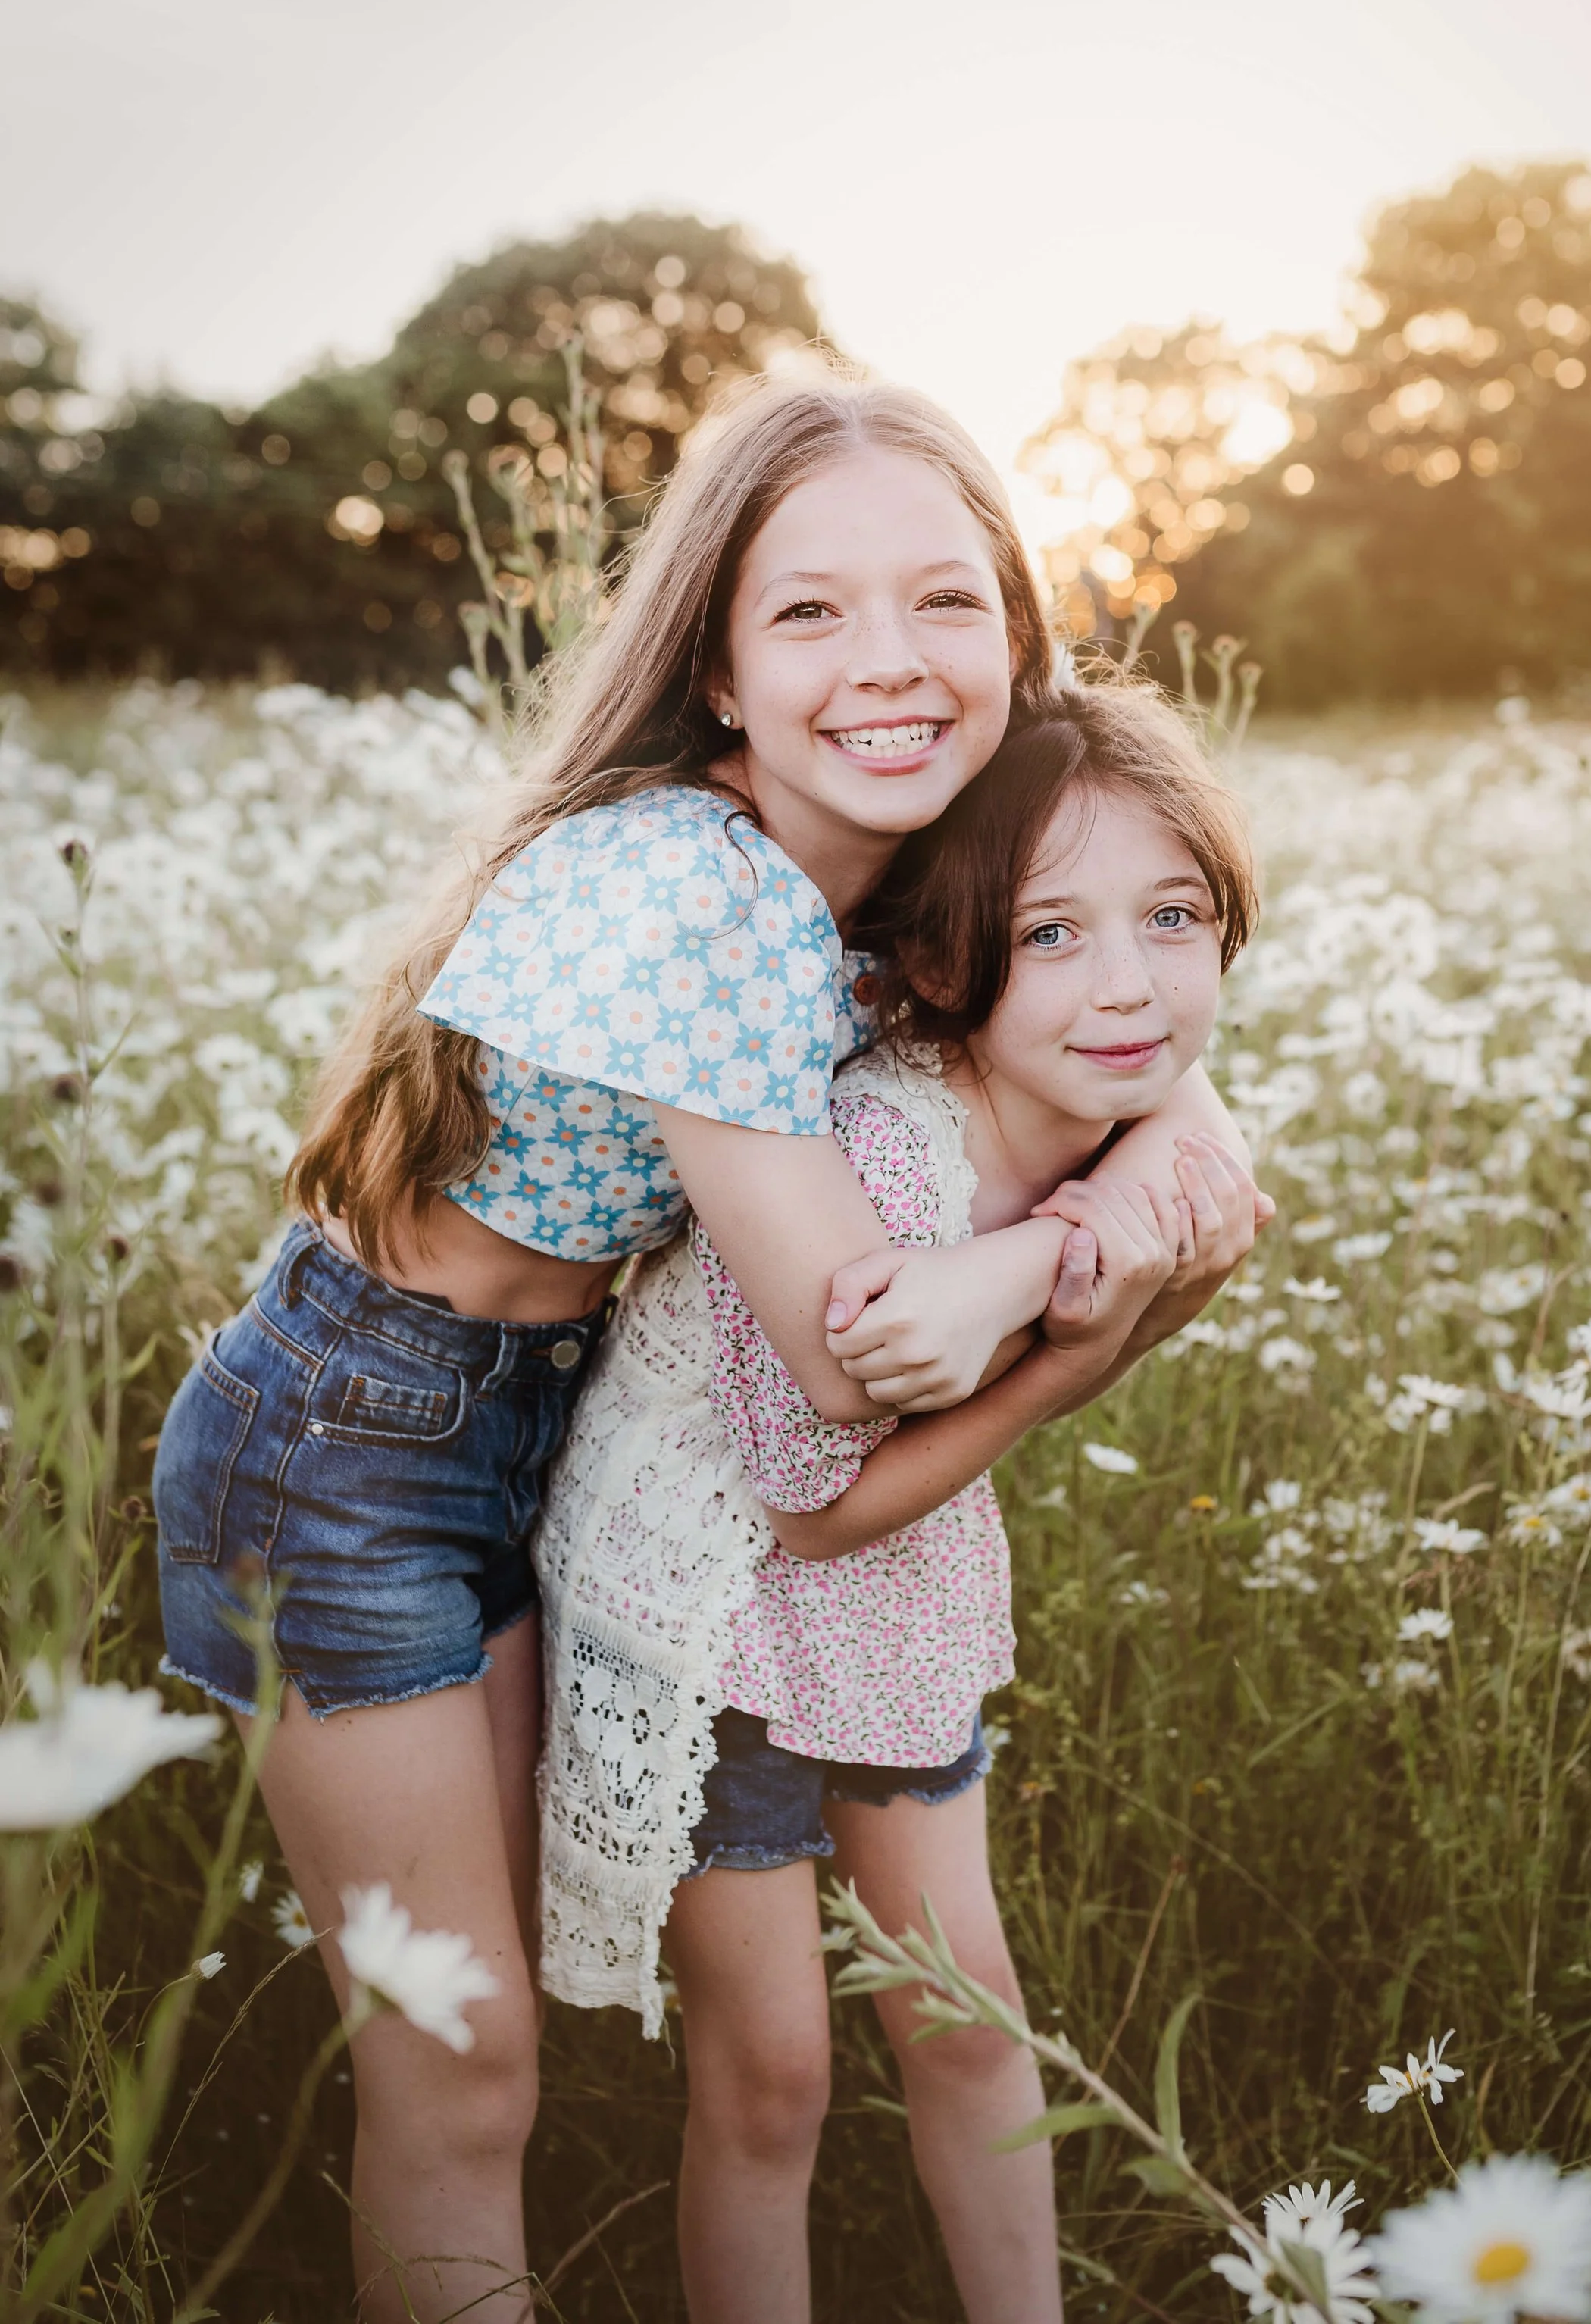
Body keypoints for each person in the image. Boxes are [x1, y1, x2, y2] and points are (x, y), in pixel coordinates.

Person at [150, 376, 1267, 2322]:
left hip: (541, 1424)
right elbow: (852, 1372)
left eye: (944, 604)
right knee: (461, 2055)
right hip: (352, 1435)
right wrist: (1067, 1305)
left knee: (509, 2042)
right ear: (724, 673)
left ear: (1016, 631)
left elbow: (1151, 1056)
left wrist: (1123, 1183)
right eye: (811, 613)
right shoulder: (693, 888)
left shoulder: (905, 867)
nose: (890, 665)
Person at [537, 680, 1258, 2324]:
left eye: (1173, 918)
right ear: (945, 966)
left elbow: (1198, 1122)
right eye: (1054, 934)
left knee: (970, 2016)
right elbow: (808, 1510)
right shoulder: (884, 1150)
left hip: (894, 1602)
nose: (1128, 982)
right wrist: (1073, 1358)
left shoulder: (1118, 1098)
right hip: (711, 1613)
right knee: (774, 2069)